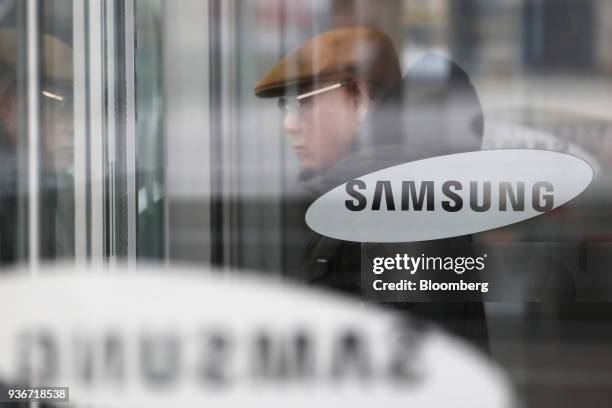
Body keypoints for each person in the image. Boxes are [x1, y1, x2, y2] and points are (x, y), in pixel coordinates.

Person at [254, 26, 489, 349]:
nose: (289, 124)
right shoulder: (370, 199)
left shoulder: (396, 211)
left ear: (359, 98)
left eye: (302, 103)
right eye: (288, 105)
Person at [0, 28, 74, 264]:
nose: (74, 124)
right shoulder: (14, 189)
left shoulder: (51, 189)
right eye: (58, 102)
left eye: (79, 105)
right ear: (8, 106)